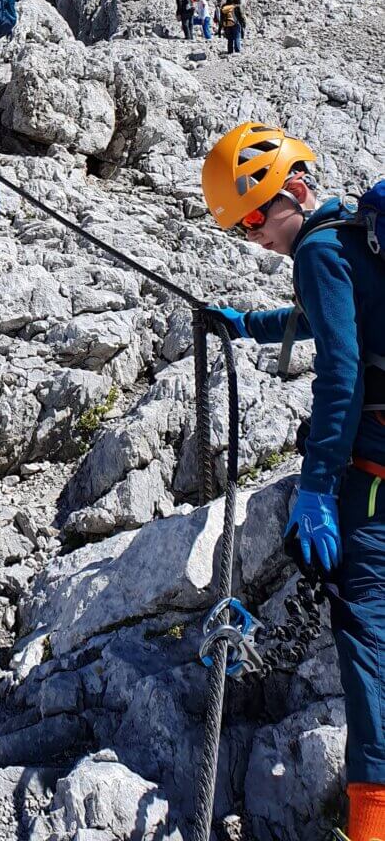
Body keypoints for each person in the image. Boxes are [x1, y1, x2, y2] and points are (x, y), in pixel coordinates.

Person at [203, 124, 385, 841]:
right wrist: (249, 323)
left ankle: (371, 826)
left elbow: (342, 370)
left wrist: (316, 488)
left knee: (366, 633)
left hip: (371, 472)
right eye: (240, 229)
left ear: (297, 191)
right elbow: (332, 319)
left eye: (256, 216)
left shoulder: (317, 246)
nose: (254, 237)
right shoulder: (350, 237)